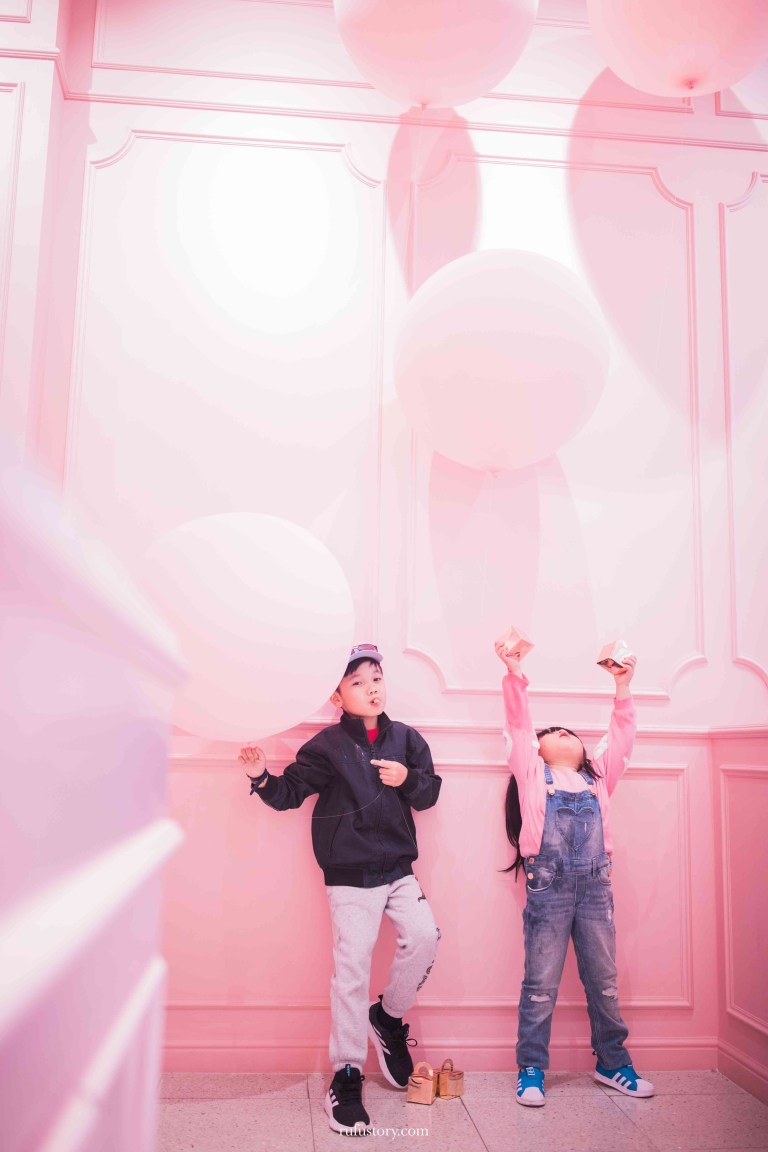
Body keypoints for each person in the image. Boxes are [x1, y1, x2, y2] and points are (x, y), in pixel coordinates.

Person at [239, 643, 441, 1136]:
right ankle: (347, 1074)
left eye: (377, 678)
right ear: (337, 695)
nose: (372, 688)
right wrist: (261, 777)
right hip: (349, 875)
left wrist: (407, 778)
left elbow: (430, 792)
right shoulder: (326, 747)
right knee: (351, 969)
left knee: (425, 937)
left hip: (398, 868)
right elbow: (289, 794)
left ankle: (387, 1018)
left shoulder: (406, 738)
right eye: (358, 682)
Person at [496, 639, 655, 1107]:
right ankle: (531, 1067)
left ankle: (613, 1062)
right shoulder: (531, 774)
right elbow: (517, 723)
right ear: (536, 749)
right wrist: (514, 673)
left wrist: (623, 686)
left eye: (570, 732)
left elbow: (622, 737)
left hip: (595, 890)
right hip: (548, 890)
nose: (563, 732)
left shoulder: (598, 777)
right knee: (540, 984)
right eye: (553, 732)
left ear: (585, 751)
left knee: (604, 980)